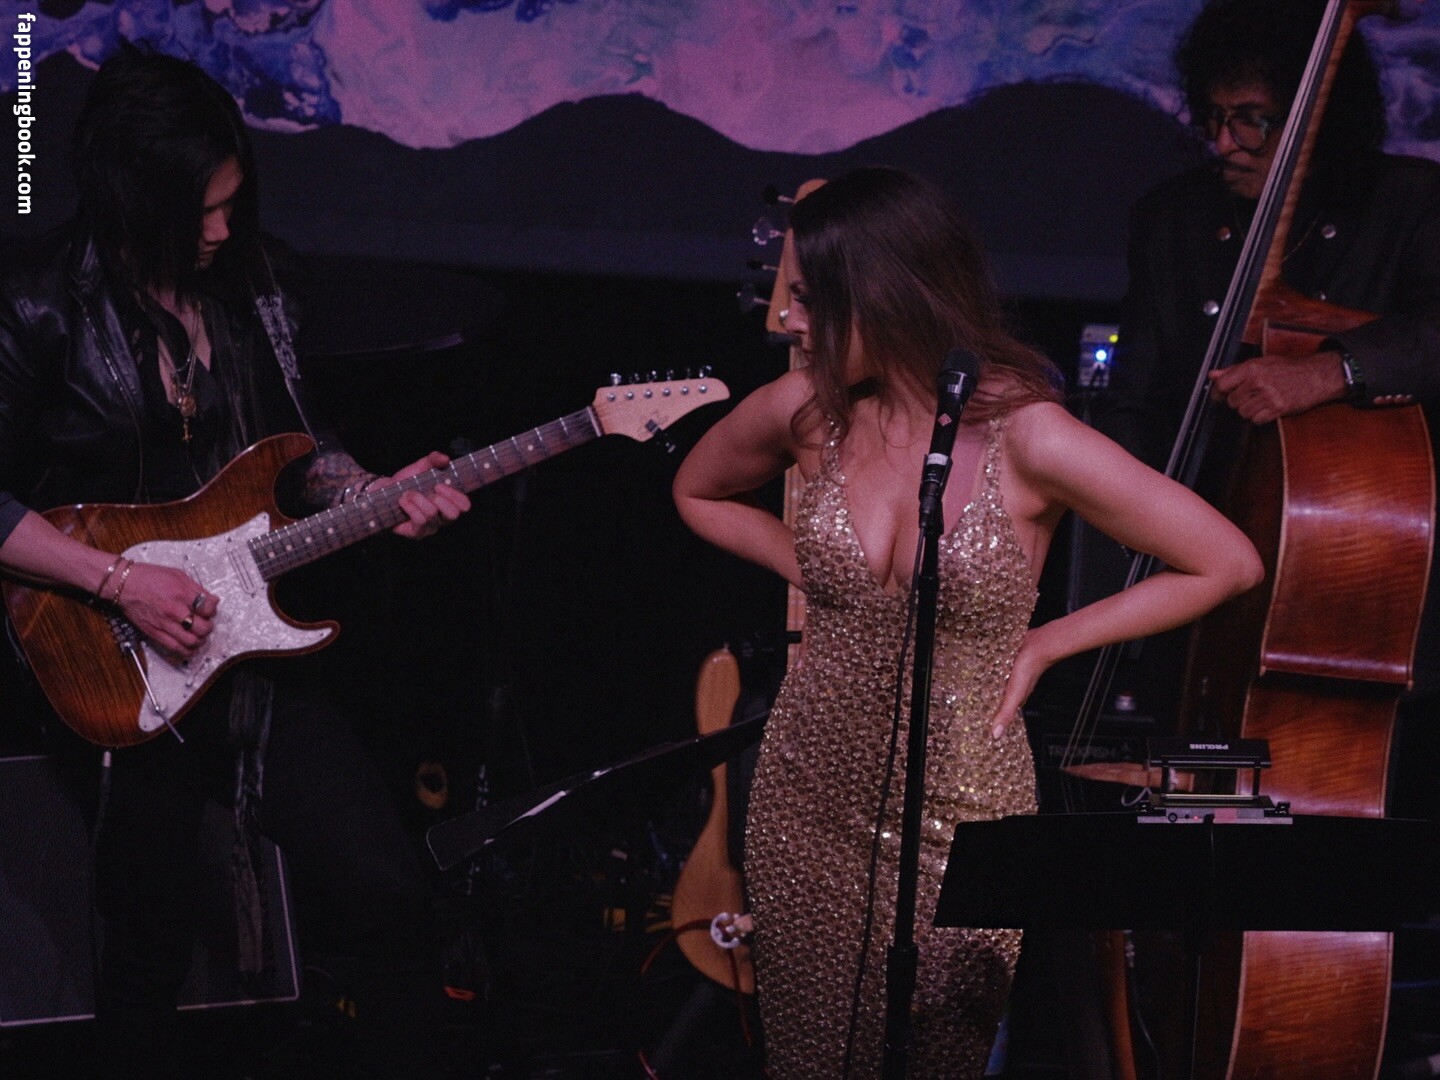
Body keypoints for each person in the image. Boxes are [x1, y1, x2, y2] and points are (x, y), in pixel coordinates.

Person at [672, 166, 1263, 1079]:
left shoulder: (1030, 436)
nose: (791, 321)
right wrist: (816, 569)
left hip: (961, 809)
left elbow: (1226, 561)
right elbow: (698, 490)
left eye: (813, 301)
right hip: (805, 800)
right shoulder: (810, 414)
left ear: (887, 294)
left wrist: (1048, 641)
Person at [0, 48, 470, 1077]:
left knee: (389, 892)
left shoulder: (256, 284)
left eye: (231, 201)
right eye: (199, 211)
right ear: (133, 200)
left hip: (254, 654)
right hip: (117, 661)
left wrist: (372, 492)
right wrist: (121, 583)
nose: (221, 229)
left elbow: (299, 449)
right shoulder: (39, 306)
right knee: (147, 948)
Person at [1096, 0, 1440, 818]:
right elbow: (1136, 400)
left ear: (1320, 118)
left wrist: (1334, 370)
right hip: (1203, 600)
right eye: (1214, 118)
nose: (1226, 143)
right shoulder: (1174, 218)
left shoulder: (1410, 203)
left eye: (1253, 120)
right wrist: (1133, 518)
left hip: (1368, 606)